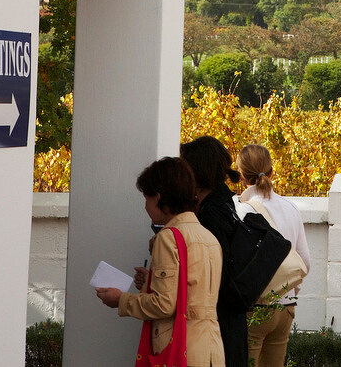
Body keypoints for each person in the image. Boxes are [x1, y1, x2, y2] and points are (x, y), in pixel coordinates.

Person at [95, 156, 224, 367]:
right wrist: (151, 281)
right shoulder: (208, 237)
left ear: (158, 197)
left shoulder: (169, 237)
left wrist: (120, 300)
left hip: (180, 348)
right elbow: (190, 290)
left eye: (146, 198)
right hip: (211, 348)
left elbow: (164, 304)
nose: (145, 206)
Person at [237, 144, 311, 367]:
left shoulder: (241, 210)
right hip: (286, 306)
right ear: (272, 172)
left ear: (241, 176)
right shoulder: (291, 208)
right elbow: (305, 262)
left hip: (255, 307)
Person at [180, 136, 249, 367]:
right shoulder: (226, 202)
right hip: (227, 319)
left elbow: (210, 269)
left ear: (197, 169)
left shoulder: (213, 212)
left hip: (219, 320)